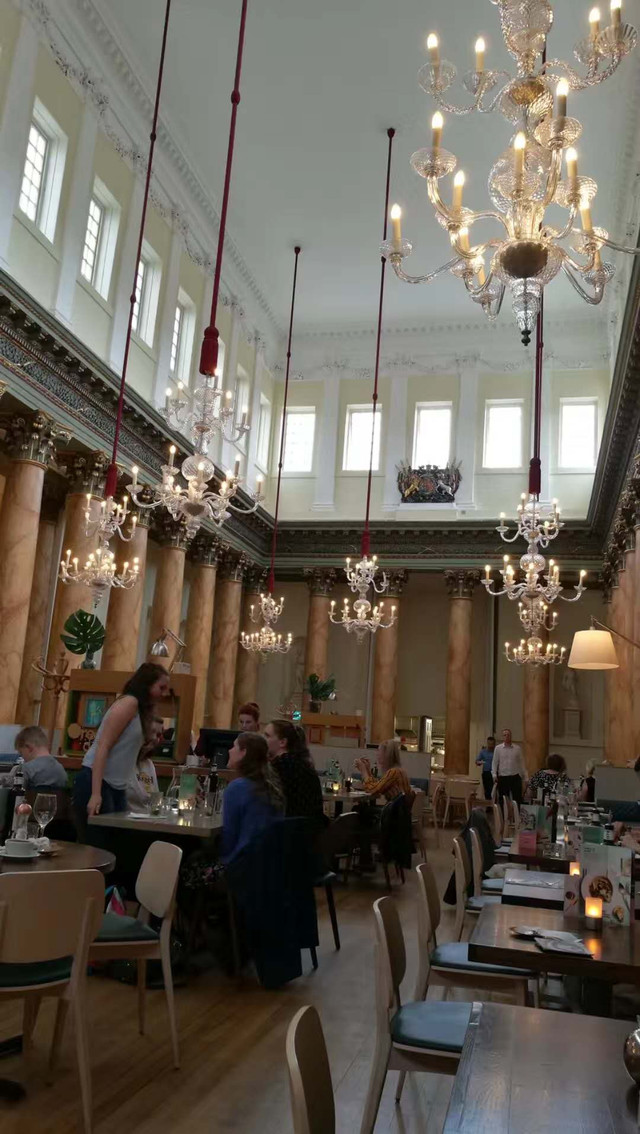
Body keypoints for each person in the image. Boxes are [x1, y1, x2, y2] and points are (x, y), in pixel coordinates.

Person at [73, 662, 171, 839]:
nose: (165, 693)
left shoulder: (143, 710)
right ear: (147, 684)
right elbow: (103, 746)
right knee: (98, 841)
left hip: (117, 786)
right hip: (97, 780)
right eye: (161, 687)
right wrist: (96, 794)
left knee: (118, 839)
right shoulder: (129, 703)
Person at [222, 732, 284, 863]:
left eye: (234, 746)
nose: (229, 750)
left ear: (243, 752)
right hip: (269, 866)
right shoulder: (272, 787)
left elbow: (229, 839)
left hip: (241, 865)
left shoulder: (237, 788)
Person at [264, 719, 324, 823]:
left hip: (289, 828)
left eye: (267, 736)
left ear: (282, 742)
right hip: (311, 828)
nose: (263, 740)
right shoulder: (303, 763)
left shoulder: (280, 766)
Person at [126, 717, 163, 814]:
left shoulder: (149, 764)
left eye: (158, 735)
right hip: (127, 820)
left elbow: (156, 800)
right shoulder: (124, 762)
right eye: (151, 732)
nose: (155, 739)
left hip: (149, 819)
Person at [492, 728, 525, 806]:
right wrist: (494, 774)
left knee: (517, 799)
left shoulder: (517, 748)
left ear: (511, 736)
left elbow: (521, 763)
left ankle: (516, 813)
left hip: (515, 776)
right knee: (503, 799)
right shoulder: (498, 748)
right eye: (505, 735)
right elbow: (495, 762)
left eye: (508, 735)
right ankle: (503, 813)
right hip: (503, 776)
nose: (506, 736)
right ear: (502, 737)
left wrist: (524, 776)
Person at [475, 736, 496, 800]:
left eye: (492, 744)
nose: (490, 746)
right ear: (487, 743)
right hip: (486, 773)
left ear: (494, 744)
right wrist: (480, 762)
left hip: (495, 773)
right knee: (487, 790)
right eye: (489, 744)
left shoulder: (496, 751)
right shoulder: (483, 752)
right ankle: (488, 804)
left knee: (494, 790)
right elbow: (477, 761)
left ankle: (494, 803)